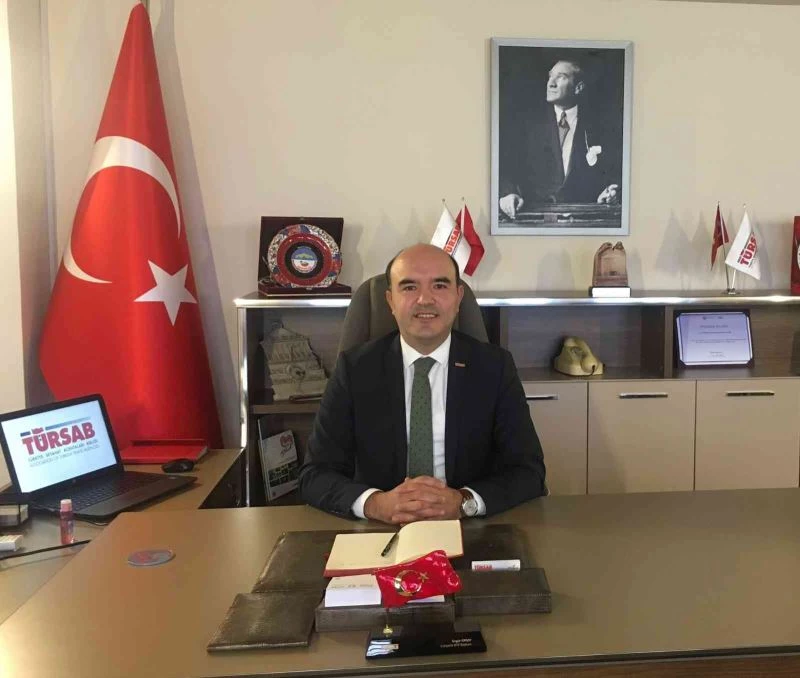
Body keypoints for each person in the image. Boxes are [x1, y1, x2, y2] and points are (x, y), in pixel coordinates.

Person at [299, 243, 546, 524]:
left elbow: (529, 471)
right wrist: (376, 504)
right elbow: (314, 475)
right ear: (391, 301)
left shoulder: (494, 367)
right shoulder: (355, 369)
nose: (425, 299)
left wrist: (464, 502)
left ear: (458, 298)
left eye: (439, 286)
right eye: (409, 287)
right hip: (379, 528)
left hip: (470, 527)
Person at [499, 58, 621, 219]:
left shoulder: (600, 126)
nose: (551, 83)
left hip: (585, 219)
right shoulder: (527, 124)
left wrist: (610, 193)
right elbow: (506, 168)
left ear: (578, 87)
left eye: (561, 77)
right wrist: (508, 194)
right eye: (550, 76)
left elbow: (614, 173)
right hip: (534, 218)